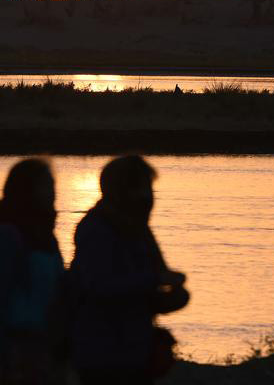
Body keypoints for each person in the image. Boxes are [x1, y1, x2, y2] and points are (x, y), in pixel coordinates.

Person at [70, 155, 189, 385]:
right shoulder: (96, 229)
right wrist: (154, 280)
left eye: (149, 189)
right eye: (142, 188)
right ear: (122, 191)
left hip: (136, 351)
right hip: (101, 353)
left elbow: (147, 289)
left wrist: (175, 296)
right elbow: (98, 286)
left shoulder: (140, 230)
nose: (148, 197)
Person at [0, 158, 67, 385]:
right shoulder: (7, 235)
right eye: (46, 185)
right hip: (14, 344)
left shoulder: (47, 237)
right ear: (27, 190)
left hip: (45, 343)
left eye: (52, 185)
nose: (53, 192)